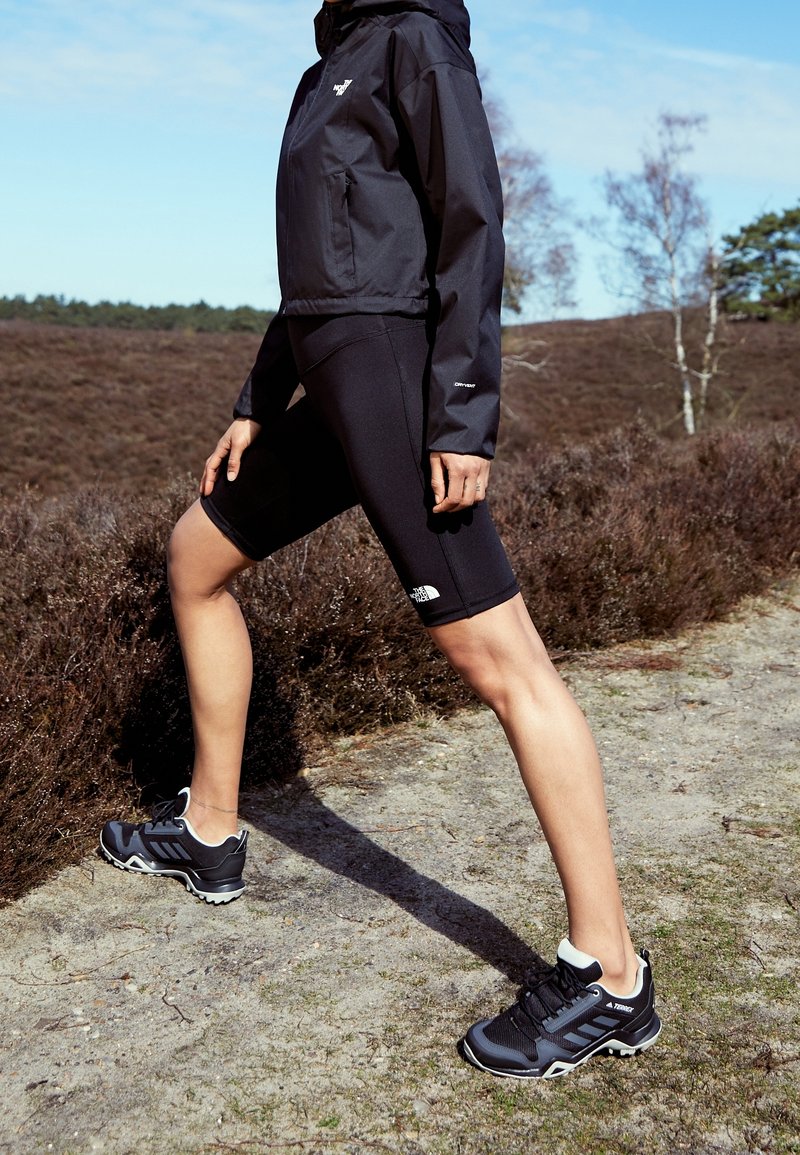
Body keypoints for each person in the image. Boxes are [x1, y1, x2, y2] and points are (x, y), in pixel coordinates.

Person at [100, 0, 661, 1079]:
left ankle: (611, 975)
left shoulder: (415, 37)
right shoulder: (334, 63)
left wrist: (461, 417)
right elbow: (316, 272)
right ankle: (209, 831)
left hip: (399, 383)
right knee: (195, 558)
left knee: (498, 661)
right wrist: (258, 398)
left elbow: (471, 218)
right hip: (334, 381)